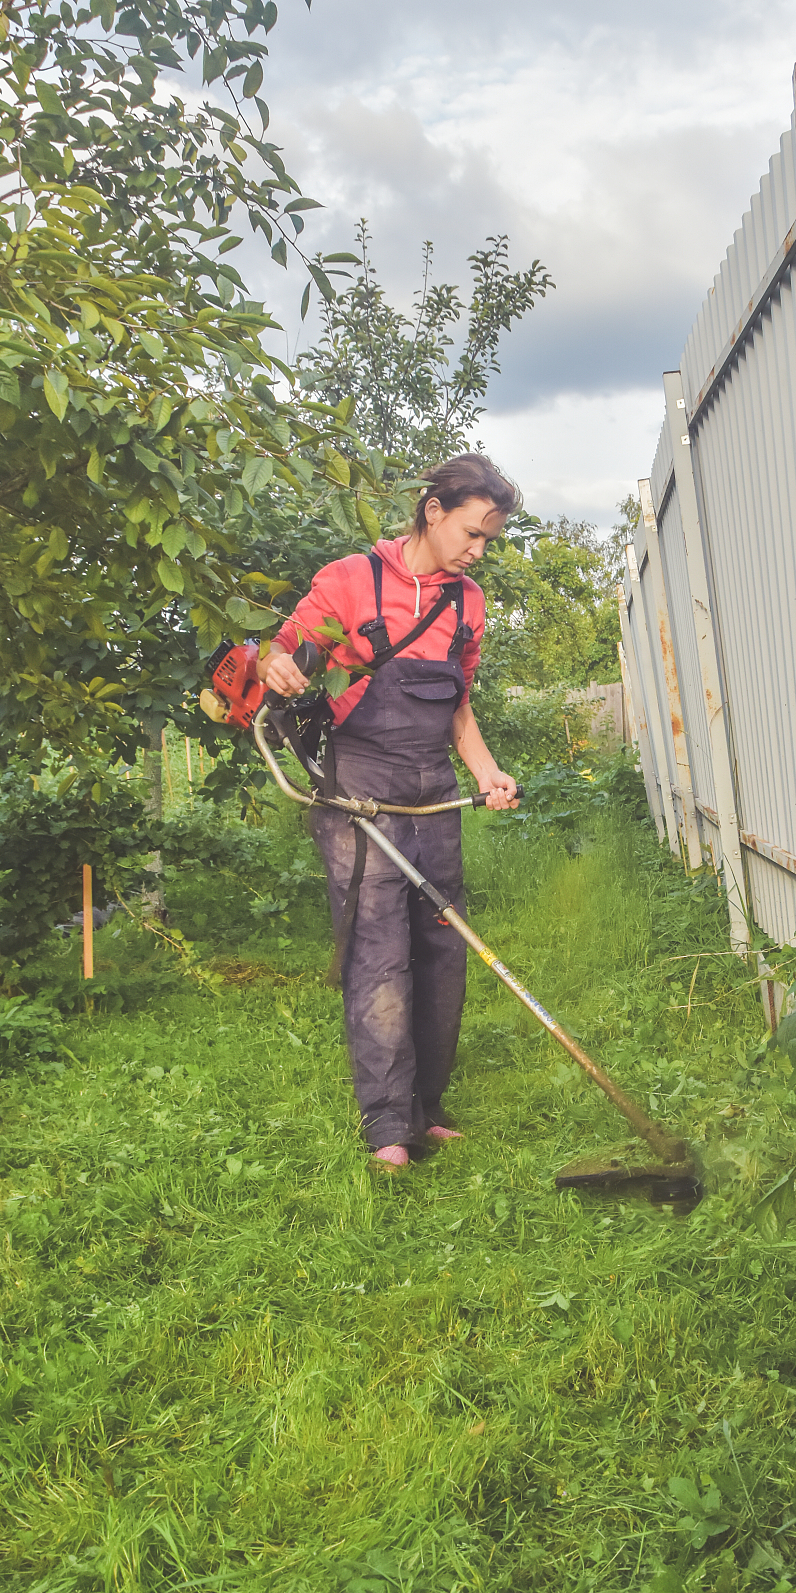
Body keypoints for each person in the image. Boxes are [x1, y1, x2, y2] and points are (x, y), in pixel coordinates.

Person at [262, 453, 521, 1171]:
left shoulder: (465, 602)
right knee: (379, 953)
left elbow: (458, 709)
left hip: (433, 786)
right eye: (471, 533)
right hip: (359, 786)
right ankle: (386, 1128)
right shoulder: (348, 580)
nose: (476, 552)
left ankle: (425, 1108)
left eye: (487, 542)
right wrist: (277, 664)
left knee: (442, 946)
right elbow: (282, 655)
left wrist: (487, 772)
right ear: (433, 510)